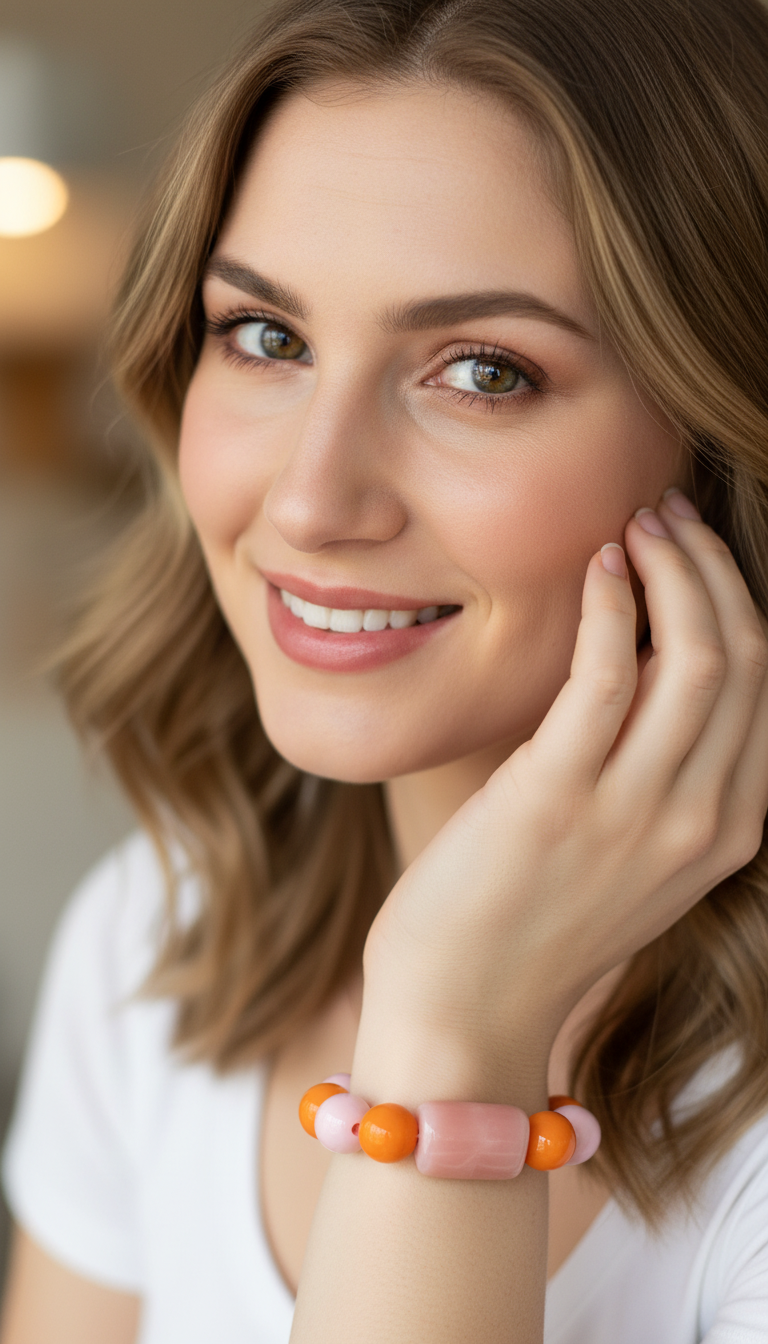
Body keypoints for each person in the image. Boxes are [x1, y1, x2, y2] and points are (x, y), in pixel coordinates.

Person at [3, 0, 768, 1339]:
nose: (310, 501)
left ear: (718, 449)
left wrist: (455, 1036)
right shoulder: (158, 943)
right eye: (267, 337)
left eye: (484, 371)